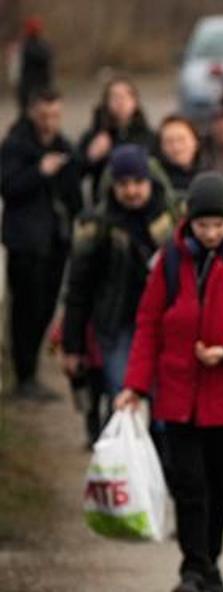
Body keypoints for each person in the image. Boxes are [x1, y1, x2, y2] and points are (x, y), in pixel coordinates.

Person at [117, 172, 223, 592]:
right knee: (189, 486)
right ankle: (193, 568)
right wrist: (134, 385)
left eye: (218, 225)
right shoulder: (170, 262)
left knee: (221, 486)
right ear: (189, 222)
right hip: (177, 396)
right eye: (202, 225)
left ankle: (210, 564)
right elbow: (148, 324)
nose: (210, 233)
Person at [62, 144, 179, 399]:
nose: (131, 191)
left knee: (163, 403)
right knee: (124, 395)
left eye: (138, 182)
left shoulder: (169, 223)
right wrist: (73, 345)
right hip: (116, 324)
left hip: (164, 325)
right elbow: (79, 286)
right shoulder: (96, 226)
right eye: (123, 184)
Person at [1, 86, 82, 400]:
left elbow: (74, 194)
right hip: (25, 241)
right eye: (45, 115)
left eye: (55, 116)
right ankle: (24, 376)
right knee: (26, 309)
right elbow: (8, 187)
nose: (50, 122)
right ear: (33, 113)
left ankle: (30, 373)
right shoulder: (15, 145)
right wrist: (39, 172)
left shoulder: (63, 147)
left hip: (55, 241)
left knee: (46, 307)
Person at [78, 75, 156, 204]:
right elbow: (77, 173)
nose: (121, 102)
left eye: (125, 97)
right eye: (115, 97)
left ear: (135, 101)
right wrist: (90, 157)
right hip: (105, 206)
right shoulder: (94, 136)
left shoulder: (149, 136)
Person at [156, 114, 202, 193]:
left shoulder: (210, 176)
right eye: (169, 142)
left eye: (182, 140)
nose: (176, 147)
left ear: (195, 142)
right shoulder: (157, 181)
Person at [16, 16, 53, 110]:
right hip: (31, 87)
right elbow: (46, 56)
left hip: (37, 86)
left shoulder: (29, 45)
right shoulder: (28, 46)